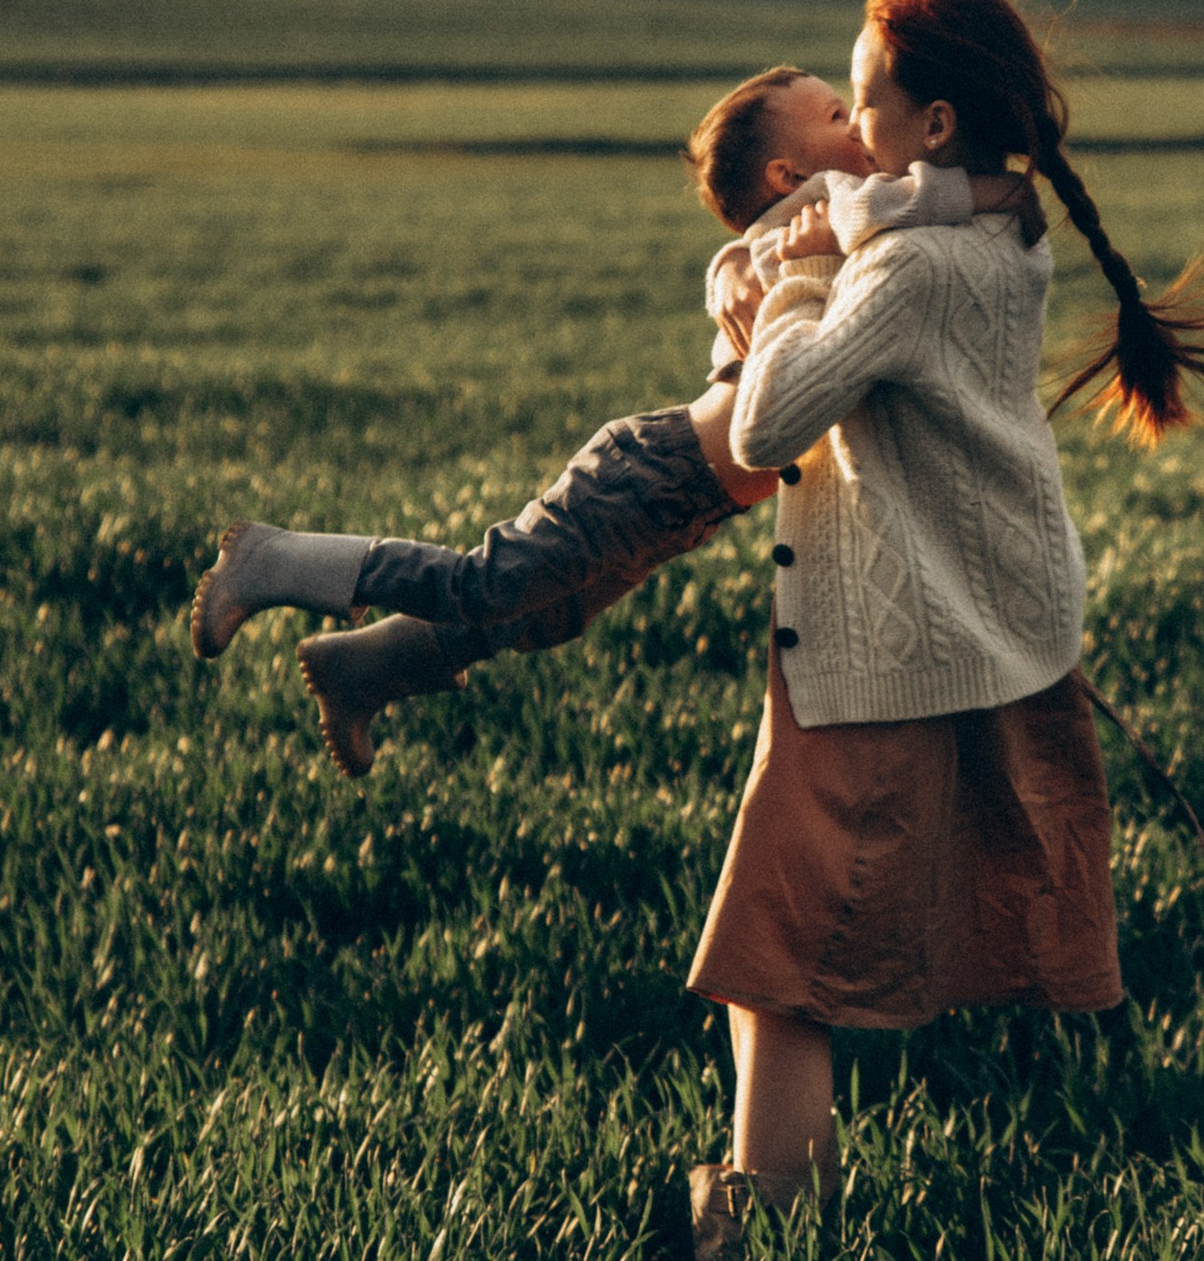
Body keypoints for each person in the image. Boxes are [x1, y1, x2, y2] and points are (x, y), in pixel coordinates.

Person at [684, 0, 1204, 1261]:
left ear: (932, 125)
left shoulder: (918, 266)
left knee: (785, 963)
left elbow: (768, 429)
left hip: (888, 656)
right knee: (783, 951)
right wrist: (838, 239)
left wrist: (798, 277)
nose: (845, 129)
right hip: (946, 631)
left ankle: (762, 1244)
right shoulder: (989, 229)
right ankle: (762, 1212)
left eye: (860, 95)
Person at [189, 66, 1019, 773]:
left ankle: (363, 667)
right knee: (490, 581)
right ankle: (277, 559)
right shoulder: (830, 205)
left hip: (688, 495)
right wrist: (1009, 187)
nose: (862, 127)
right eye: (840, 117)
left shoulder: (800, 222)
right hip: (659, 466)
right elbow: (920, 196)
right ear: (783, 175)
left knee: (546, 613)